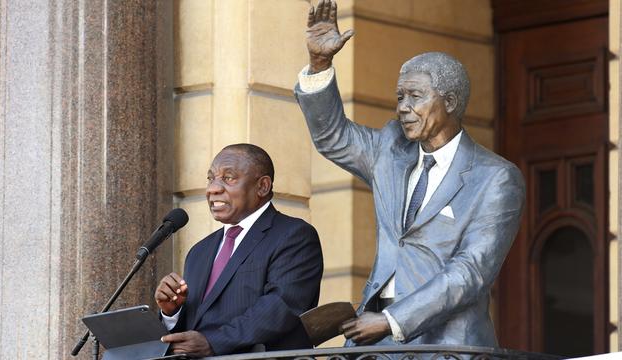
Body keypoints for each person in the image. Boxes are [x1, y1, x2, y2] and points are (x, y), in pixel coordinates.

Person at [294, 0, 525, 348]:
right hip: (374, 338)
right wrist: (320, 63)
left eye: (415, 96)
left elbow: (471, 271)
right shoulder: (389, 149)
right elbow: (332, 137)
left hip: (446, 344)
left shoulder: (496, 178)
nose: (403, 107)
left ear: (450, 101)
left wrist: (392, 321)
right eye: (400, 96)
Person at [155, 144, 323, 356]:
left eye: (228, 178)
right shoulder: (199, 252)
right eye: (210, 179)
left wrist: (212, 342)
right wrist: (172, 313)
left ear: (262, 186)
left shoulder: (294, 235)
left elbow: (281, 308)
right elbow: (193, 331)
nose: (212, 189)